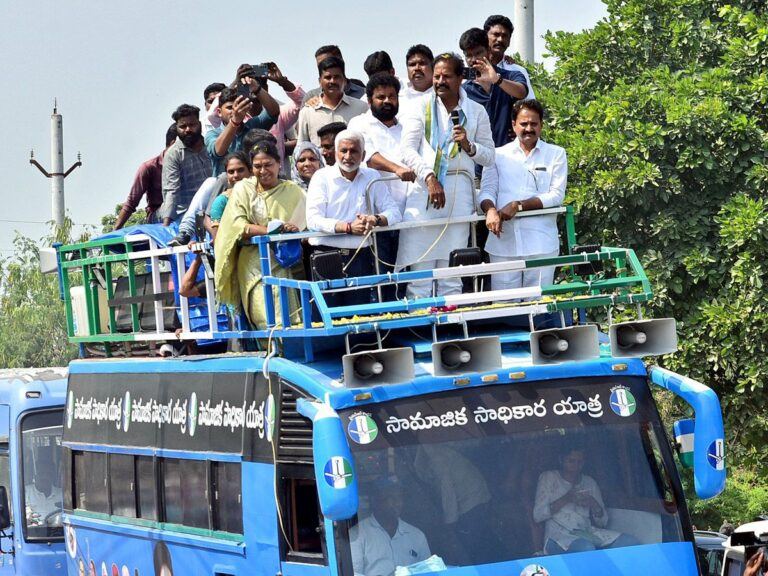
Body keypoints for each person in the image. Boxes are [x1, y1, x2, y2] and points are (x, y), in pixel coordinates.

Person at [397, 53, 495, 299]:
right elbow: (406, 151)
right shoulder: (418, 107)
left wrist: (470, 147)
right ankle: (421, 328)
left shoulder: (476, 111)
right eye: (437, 76)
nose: (440, 81)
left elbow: (489, 156)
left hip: (459, 191)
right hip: (424, 192)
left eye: (447, 76)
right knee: (421, 270)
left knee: (452, 272)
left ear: (461, 78)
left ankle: (450, 329)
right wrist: (429, 177)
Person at [215, 141, 306, 329]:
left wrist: (293, 230)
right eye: (257, 166)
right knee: (265, 316)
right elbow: (236, 224)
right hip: (254, 264)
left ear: (279, 163)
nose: (263, 171)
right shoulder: (244, 189)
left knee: (291, 316)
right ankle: (271, 352)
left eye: (268, 165)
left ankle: (291, 353)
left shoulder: (293, 191)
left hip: (288, 262)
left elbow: (306, 225)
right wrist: (271, 230)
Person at [305, 129, 401, 305]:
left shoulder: (371, 176)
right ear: (335, 153)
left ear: (363, 155)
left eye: (354, 151)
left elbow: (394, 212)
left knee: (360, 316)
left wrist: (375, 219)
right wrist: (348, 227)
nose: (348, 156)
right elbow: (313, 219)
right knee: (328, 317)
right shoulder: (321, 177)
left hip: (361, 257)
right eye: (343, 151)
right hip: (327, 255)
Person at [479, 99, 566, 291]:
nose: (528, 129)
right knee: (504, 308)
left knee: (539, 307)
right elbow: (486, 191)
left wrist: (518, 206)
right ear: (514, 125)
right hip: (503, 243)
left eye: (534, 124)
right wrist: (490, 210)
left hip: (541, 244)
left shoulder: (556, 154)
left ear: (541, 125)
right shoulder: (497, 155)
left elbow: (556, 195)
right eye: (523, 124)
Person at [349, 73, 415, 279]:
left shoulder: (407, 127)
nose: (387, 101)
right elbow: (368, 156)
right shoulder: (358, 124)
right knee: (382, 277)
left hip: (408, 213)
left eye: (392, 96)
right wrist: (397, 169)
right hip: (376, 217)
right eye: (381, 97)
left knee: (408, 273)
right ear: (369, 101)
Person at [533, 447, 639, 555]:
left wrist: (593, 504)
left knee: (629, 541)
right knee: (586, 548)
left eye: (580, 462)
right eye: (571, 461)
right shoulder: (548, 477)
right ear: (561, 460)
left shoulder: (589, 482)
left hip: (587, 532)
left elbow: (603, 522)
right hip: (558, 536)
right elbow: (538, 515)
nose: (576, 466)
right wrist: (567, 498)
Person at [460, 27, 528, 147]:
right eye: (468, 55)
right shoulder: (464, 90)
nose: (473, 59)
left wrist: (496, 80)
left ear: (488, 50)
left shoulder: (510, 75)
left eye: (478, 53)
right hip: (478, 157)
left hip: (508, 156)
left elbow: (521, 92)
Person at [350, 477, 430, 576]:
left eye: (400, 497)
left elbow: (428, 571)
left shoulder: (417, 536)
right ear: (375, 500)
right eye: (391, 497)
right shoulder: (357, 534)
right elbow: (352, 573)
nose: (397, 503)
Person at [205, 71, 280, 176]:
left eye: (239, 105)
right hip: (227, 187)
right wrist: (234, 122)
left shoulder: (253, 126)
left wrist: (257, 88)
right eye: (230, 107)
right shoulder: (212, 134)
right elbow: (218, 151)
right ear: (219, 112)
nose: (235, 110)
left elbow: (274, 112)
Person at [172, 151, 253, 247]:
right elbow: (208, 219)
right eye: (231, 172)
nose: (236, 175)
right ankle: (185, 231)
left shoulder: (260, 191)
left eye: (240, 170)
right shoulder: (222, 199)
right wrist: (219, 237)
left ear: (251, 171)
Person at [114, 124, 177, 229]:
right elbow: (131, 202)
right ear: (174, 144)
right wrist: (115, 231)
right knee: (174, 206)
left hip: (183, 210)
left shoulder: (188, 164)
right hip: (158, 215)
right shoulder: (149, 167)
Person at [296, 56, 368, 146]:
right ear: (320, 81)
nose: (332, 81)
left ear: (345, 81)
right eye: (328, 77)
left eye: (337, 77)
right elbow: (302, 148)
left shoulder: (361, 108)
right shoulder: (307, 112)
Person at [161, 104, 212, 225]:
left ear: (199, 124)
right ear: (177, 128)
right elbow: (171, 191)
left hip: (216, 207)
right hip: (187, 214)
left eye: (192, 125)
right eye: (183, 126)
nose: (188, 129)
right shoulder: (173, 154)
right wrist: (166, 225)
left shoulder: (212, 144)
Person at [484, 14, 536, 100]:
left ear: (509, 41)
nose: (500, 39)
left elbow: (529, 105)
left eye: (505, 36)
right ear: (485, 37)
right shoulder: (473, 70)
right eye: (496, 34)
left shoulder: (517, 71)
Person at [398, 45, 435, 120]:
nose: (417, 68)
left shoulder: (444, 96)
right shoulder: (399, 100)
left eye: (422, 63)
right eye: (412, 64)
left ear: (433, 66)